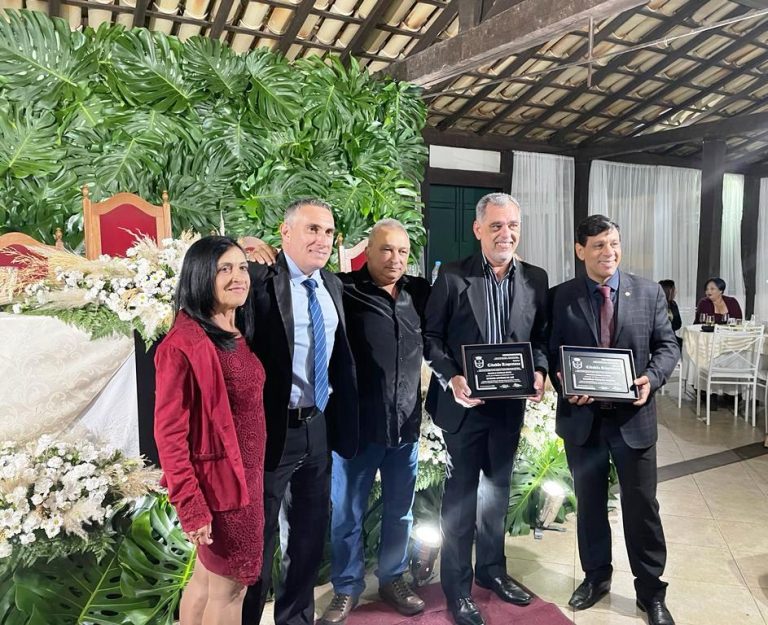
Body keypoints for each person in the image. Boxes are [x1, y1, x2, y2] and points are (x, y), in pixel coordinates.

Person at [242, 219, 431, 625]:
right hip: (356, 428)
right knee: (347, 515)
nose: (395, 259)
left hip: (405, 426)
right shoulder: (342, 288)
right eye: (386, 249)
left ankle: (393, 578)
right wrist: (245, 243)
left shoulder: (419, 292)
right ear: (367, 252)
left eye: (402, 251)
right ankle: (346, 587)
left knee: (400, 512)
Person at [423, 192, 549, 625]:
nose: (505, 234)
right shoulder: (452, 276)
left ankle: (492, 571)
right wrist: (452, 378)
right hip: (463, 407)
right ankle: (457, 588)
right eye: (496, 226)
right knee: (459, 501)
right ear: (478, 230)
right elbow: (431, 338)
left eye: (512, 225)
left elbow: (540, 338)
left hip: (508, 409)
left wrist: (540, 371)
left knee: (496, 496)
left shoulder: (535, 278)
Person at [548, 215, 679, 625]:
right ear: (580, 250)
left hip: (633, 420)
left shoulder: (648, 292)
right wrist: (562, 381)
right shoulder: (560, 296)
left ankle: (651, 591)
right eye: (599, 245)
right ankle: (596, 577)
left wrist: (651, 379)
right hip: (582, 420)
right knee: (589, 505)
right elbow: (549, 351)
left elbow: (668, 346)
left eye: (615, 243)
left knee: (642, 508)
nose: (610, 252)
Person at [242, 199, 358, 625]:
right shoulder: (257, 279)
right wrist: (238, 244)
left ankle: (295, 619)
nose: (322, 239)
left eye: (328, 231)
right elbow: (203, 272)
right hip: (271, 429)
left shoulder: (332, 284)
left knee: (308, 536)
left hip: (317, 427)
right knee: (259, 538)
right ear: (285, 232)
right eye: (312, 229)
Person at [154, 236, 266, 625]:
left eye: (242, 267)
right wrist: (190, 504)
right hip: (224, 490)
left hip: (244, 481)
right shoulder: (184, 344)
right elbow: (169, 435)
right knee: (230, 591)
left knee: (206, 580)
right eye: (225, 269)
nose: (239, 277)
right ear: (201, 276)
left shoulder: (231, 327)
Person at [658, 279, 682, 348]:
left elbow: (678, 324)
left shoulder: (673, 304)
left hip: (671, 336)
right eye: (674, 289)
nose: (676, 291)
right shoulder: (657, 305)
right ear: (668, 291)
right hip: (658, 339)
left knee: (687, 344)